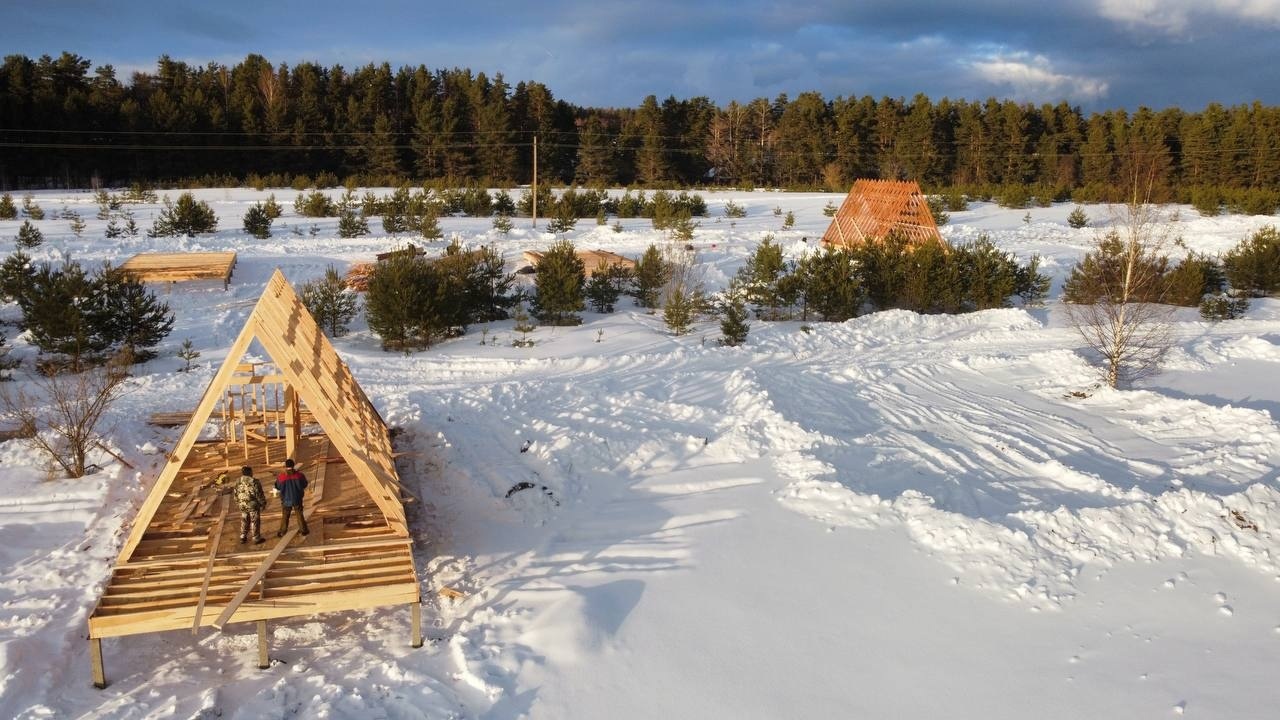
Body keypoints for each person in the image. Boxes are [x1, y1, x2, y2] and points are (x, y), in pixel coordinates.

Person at [275, 458, 310, 536]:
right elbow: (304, 484)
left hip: (285, 499)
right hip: (297, 498)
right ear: (293, 465)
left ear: (285, 466)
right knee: (299, 514)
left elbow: (277, 486)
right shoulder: (300, 475)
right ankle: (303, 530)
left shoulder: (281, 477)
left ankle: (282, 531)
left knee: (285, 515)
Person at [233, 466, 267, 544]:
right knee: (254, 521)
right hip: (253, 505)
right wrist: (263, 503)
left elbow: (235, 494)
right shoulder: (254, 482)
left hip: (242, 505)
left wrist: (238, 503)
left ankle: (243, 536)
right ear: (249, 473)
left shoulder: (238, 481)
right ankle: (256, 537)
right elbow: (259, 495)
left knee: (244, 520)